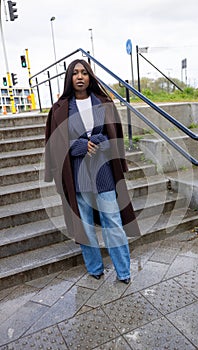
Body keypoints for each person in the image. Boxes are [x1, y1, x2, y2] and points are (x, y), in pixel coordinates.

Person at [44, 59, 140, 284]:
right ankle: (95, 268)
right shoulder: (59, 109)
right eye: (75, 73)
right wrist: (78, 146)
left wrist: (101, 141)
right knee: (84, 225)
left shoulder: (105, 103)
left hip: (103, 172)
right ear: (69, 78)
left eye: (84, 73)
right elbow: (54, 142)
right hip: (76, 175)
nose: (80, 77)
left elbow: (115, 136)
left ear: (90, 77)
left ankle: (123, 271)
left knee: (113, 221)